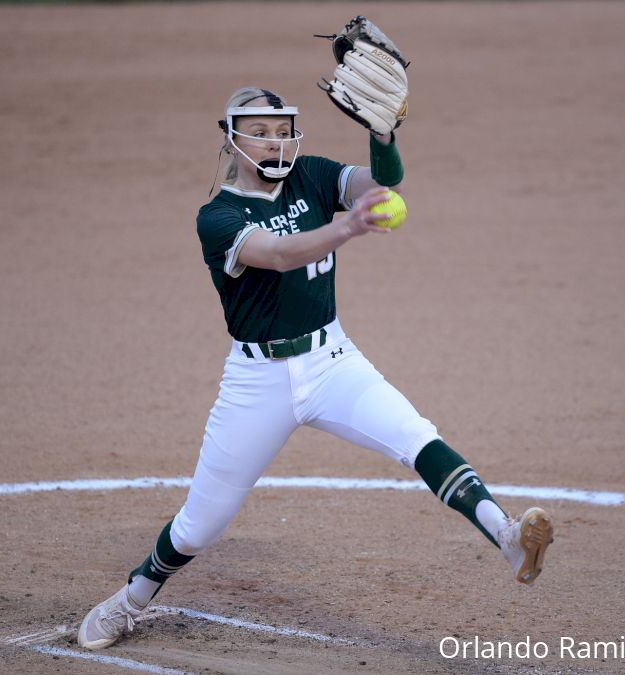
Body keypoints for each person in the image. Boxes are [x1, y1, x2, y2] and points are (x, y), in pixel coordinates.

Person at [76, 84, 554, 651]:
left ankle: (504, 534)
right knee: (200, 525)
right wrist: (349, 227)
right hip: (257, 382)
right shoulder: (219, 216)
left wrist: (382, 137)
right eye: (259, 132)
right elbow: (278, 255)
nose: (275, 144)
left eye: (282, 132)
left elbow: (378, 188)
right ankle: (130, 599)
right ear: (230, 138)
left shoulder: (313, 173)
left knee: (415, 435)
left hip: (332, 361)